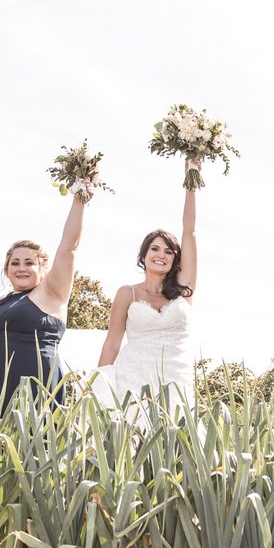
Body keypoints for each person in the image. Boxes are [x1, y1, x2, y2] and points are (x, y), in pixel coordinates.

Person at [0, 181, 89, 413]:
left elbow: (68, 248)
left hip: (32, 384)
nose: (21, 268)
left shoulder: (51, 293)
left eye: (29, 263)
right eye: (15, 263)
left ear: (43, 268)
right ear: (7, 270)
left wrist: (80, 199)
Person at [97, 158, 200, 414]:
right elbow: (112, 343)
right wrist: (98, 386)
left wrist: (191, 184)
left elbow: (190, 232)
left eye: (168, 251)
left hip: (176, 380)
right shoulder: (128, 293)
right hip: (133, 379)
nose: (161, 255)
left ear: (175, 259)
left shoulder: (183, 289)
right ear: (143, 256)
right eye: (154, 249)